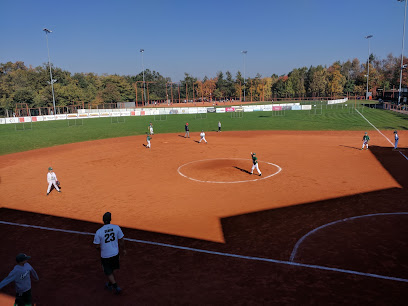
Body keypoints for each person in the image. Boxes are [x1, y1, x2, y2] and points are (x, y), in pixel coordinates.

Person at [93, 212, 125, 295]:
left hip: (105, 255)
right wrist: (123, 249)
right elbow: (121, 240)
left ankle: (115, 286)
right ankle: (110, 283)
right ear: (110, 220)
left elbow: (96, 245)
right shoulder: (116, 227)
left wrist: (99, 249)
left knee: (108, 271)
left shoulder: (99, 231)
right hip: (115, 253)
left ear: (103, 220)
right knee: (112, 269)